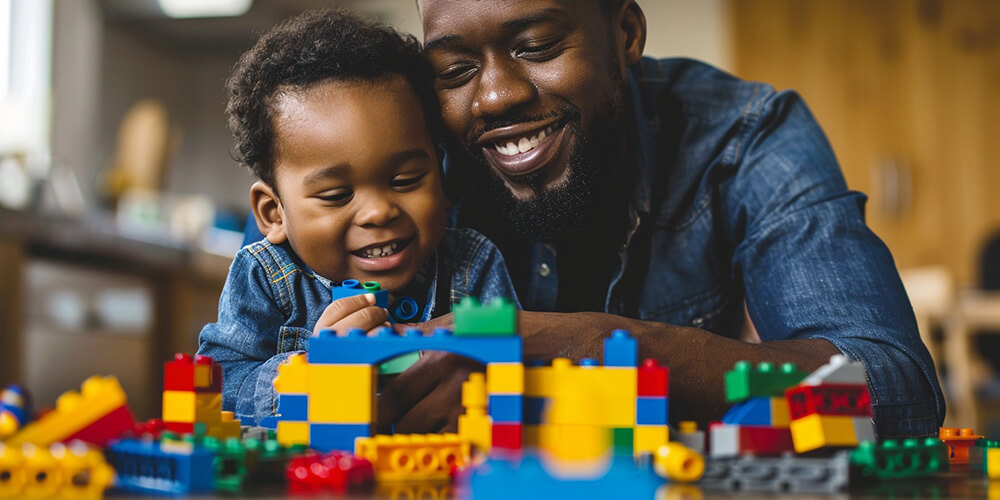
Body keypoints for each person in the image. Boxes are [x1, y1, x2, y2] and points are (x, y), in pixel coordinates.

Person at [374, 0, 945, 437]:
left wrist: (589, 347)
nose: (494, 97)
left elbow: (895, 393)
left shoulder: (746, 138)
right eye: (454, 70)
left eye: (538, 45)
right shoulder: (413, 160)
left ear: (625, 34)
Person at [199, 8, 519, 425]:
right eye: (336, 195)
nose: (378, 211)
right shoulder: (264, 276)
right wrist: (311, 372)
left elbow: (517, 371)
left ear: (443, 180)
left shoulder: (474, 265)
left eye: (405, 180)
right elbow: (217, 387)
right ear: (273, 212)